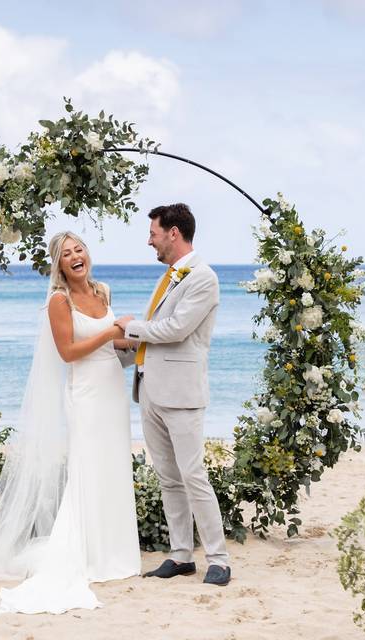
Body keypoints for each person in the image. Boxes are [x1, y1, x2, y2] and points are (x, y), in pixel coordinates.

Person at [0, 231, 140, 614]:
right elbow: (68, 352)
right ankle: (89, 555)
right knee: (88, 469)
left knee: (113, 467)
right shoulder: (58, 300)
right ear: (59, 264)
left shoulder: (103, 291)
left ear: (87, 253)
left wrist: (133, 335)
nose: (75, 256)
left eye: (78, 249)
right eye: (66, 254)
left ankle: (115, 553)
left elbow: (113, 345)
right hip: (84, 395)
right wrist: (111, 332)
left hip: (112, 391)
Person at [115, 203, 232, 587]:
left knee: (193, 475)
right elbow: (158, 334)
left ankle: (219, 559)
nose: (149, 241)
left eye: (153, 233)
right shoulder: (169, 277)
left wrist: (133, 327)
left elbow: (177, 329)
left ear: (174, 233)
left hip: (181, 394)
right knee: (168, 478)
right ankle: (181, 555)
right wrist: (123, 348)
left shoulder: (203, 277)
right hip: (150, 389)